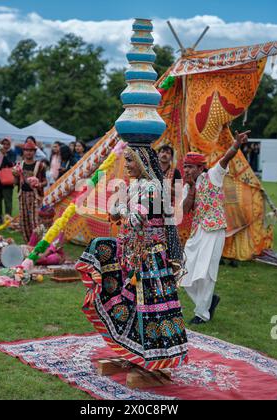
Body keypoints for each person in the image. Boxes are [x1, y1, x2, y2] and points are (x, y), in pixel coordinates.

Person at [76, 145, 188, 371]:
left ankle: (154, 357)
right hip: (133, 254)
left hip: (150, 256)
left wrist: (122, 207)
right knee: (102, 251)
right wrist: (119, 207)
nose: (125, 165)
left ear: (142, 162)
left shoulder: (153, 188)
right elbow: (116, 215)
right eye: (125, 160)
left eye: (129, 161)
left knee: (150, 309)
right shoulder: (134, 186)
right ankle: (134, 350)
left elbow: (136, 219)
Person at [181, 130, 250, 325]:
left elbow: (225, 159)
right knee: (184, 272)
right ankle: (209, 301)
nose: (186, 170)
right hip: (197, 231)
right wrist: (191, 189)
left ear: (200, 168)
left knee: (205, 272)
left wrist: (236, 145)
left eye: (190, 167)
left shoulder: (212, 175)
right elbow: (185, 210)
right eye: (185, 167)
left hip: (214, 229)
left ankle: (201, 314)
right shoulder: (187, 186)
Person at [13, 139, 47, 243]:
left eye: (31, 150)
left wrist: (38, 184)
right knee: (24, 221)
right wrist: (15, 175)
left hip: (35, 196)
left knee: (35, 221)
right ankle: (28, 244)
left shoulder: (40, 165)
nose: (28, 152)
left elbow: (45, 181)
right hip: (22, 195)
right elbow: (15, 182)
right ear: (23, 151)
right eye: (26, 150)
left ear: (35, 152)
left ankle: (38, 244)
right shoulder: (19, 165)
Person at [0, 138, 16, 223]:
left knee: (7, 201)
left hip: (7, 180)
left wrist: (4, 155)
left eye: (7, 144)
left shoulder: (12, 153)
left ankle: (8, 218)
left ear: (10, 145)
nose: (5, 146)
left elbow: (11, 164)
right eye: (4, 144)